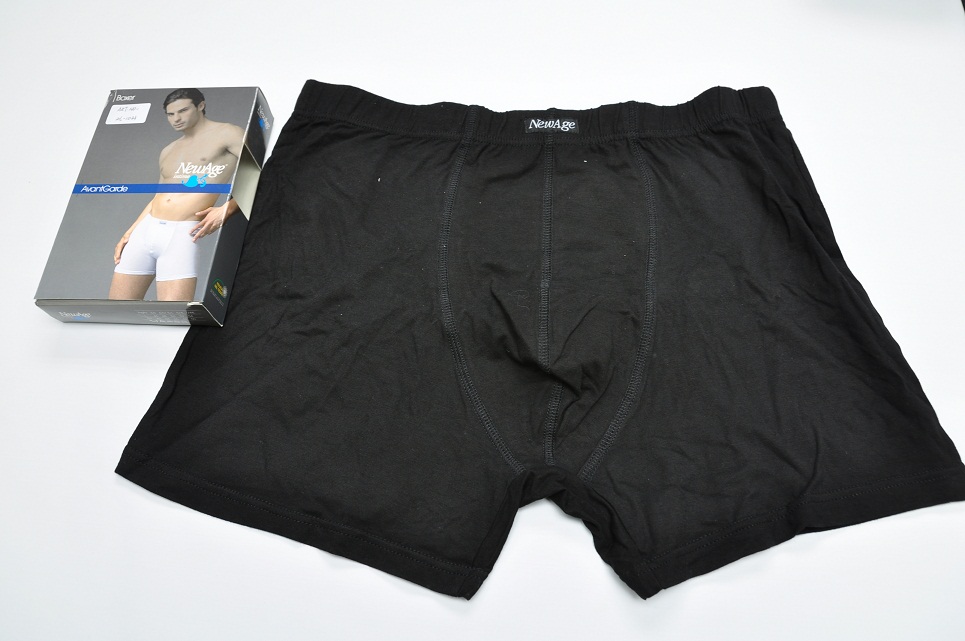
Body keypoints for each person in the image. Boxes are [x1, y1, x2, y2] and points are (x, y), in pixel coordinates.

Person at [109, 88, 244, 301]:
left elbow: (262, 172)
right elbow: (158, 197)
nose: (176, 119)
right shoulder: (169, 150)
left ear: (201, 105)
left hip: (182, 232)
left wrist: (227, 209)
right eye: (170, 114)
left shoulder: (228, 133)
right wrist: (129, 232)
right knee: (117, 309)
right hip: (146, 229)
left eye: (182, 111)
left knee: (173, 313)